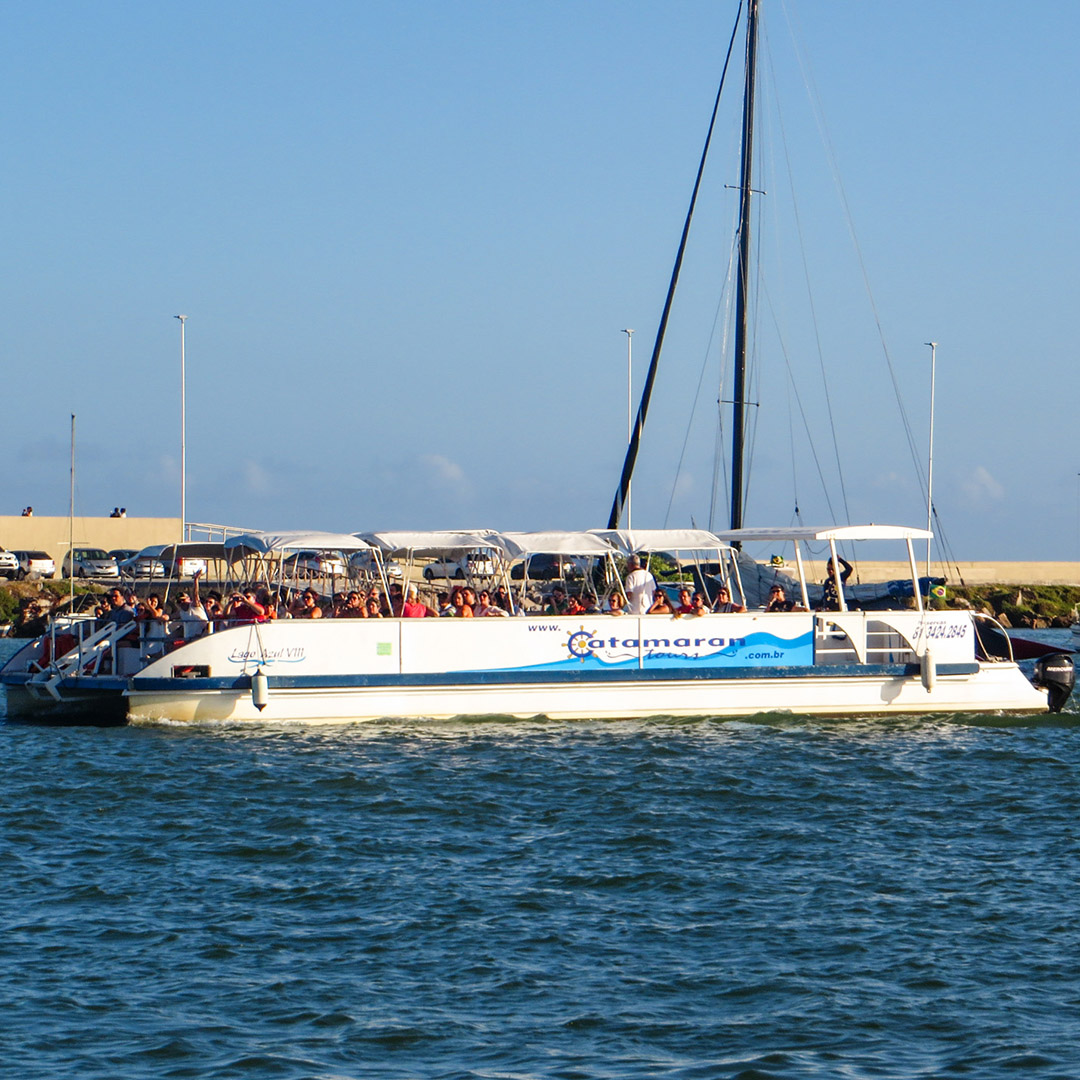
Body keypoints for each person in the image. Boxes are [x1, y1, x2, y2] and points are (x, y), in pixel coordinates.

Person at [174, 572, 209, 639]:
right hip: (188, 640)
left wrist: (196, 580)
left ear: (189, 599)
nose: (181, 602)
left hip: (200, 638)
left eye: (183, 600)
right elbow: (170, 616)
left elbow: (195, 594)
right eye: (179, 601)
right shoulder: (181, 612)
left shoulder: (194, 606)